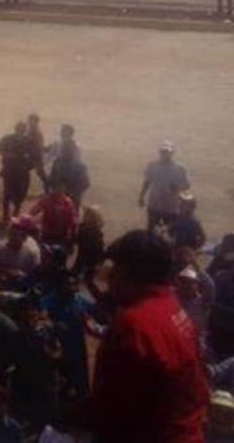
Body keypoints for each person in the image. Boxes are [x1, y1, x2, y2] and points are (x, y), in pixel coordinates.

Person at [89, 230, 209, 442]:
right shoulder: (172, 308)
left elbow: (114, 411)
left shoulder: (133, 324)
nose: (111, 276)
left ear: (129, 273)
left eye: (116, 268)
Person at [139, 140, 191, 231]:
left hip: (171, 207)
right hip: (154, 204)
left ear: (172, 153)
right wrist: (141, 196)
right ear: (160, 152)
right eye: (163, 152)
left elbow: (187, 185)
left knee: (171, 231)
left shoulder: (180, 168)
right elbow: (147, 182)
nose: (165, 154)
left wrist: (177, 189)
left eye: (168, 152)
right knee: (151, 230)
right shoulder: (152, 166)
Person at [0, 121, 35, 219]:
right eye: (19, 129)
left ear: (25, 130)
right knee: (7, 193)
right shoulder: (8, 139)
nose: (20, 131)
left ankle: (15, 213)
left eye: (22, 130)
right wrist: (7, 154)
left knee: (20, 194)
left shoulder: (29, 141)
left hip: (23, 171)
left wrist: (28, 165)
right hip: (9, 170)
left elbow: (35, 157)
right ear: (16, 129)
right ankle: (5, 215)